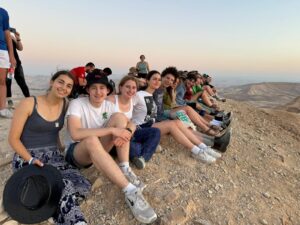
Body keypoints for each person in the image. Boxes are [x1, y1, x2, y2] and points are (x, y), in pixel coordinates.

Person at [64, 69, 157, 224]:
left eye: (102, 88)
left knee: (120, 117)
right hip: (77, 153)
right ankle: (130, 191)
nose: (98, 92)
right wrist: (112, 130)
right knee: (92, 139)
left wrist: (126, 130)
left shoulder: (108, 105)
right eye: (94, 88)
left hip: (99, 151)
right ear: (87, 89)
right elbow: (75, 133)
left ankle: (125, 167)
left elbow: (130, 123)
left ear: (108, 90)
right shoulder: (77, 103)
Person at [8, 70, 91, 225]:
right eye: (60, 82)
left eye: (68, 86)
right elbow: (13, 139)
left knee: (82, 183)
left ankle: (51, 207)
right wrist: (30, 159)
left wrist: (61, 148)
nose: (63, 88)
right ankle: (77, 221)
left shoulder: (65, 104)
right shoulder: (29, 103)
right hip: (28, 157)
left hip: (53, 156)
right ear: (51, 82)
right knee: (63, 184)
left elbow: (54, 131)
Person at [132, 70, 222, 164]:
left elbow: (161, 109)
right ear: (147, 80)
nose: (158, 82)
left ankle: (203, 147)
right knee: (176, 122)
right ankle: (198, 151)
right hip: (141, 127)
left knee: (179, 122)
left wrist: (173, 94)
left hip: (151, 123)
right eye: (155, 79)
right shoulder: (140, 95)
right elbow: (127, 108)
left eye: (159, 80)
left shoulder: (154, 94)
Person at [106, 75, 161, 169]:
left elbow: (132, 122)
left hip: (128, 133)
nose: (131, 90)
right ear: (120, 87)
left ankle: (143, 158)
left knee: (156, 131)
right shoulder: (111, 100)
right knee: (134, 148)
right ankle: (146, 148)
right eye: (127, 87)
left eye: (134, 88)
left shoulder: (131, 102)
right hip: (114, 137)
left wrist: (129, 131)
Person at [6, 27, 30, 108]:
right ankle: (9, 102)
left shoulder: (11, 37)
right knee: (8, 83)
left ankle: (29, 100)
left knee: (22, 83)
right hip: (7, 64)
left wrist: (18, 38)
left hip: (17, 64)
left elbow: (20, 48)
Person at [0, 7, 16, 118]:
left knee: (2, 81)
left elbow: (7, 34)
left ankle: (2, 109)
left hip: (2, 50)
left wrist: (11, 55)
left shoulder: (3, 12)